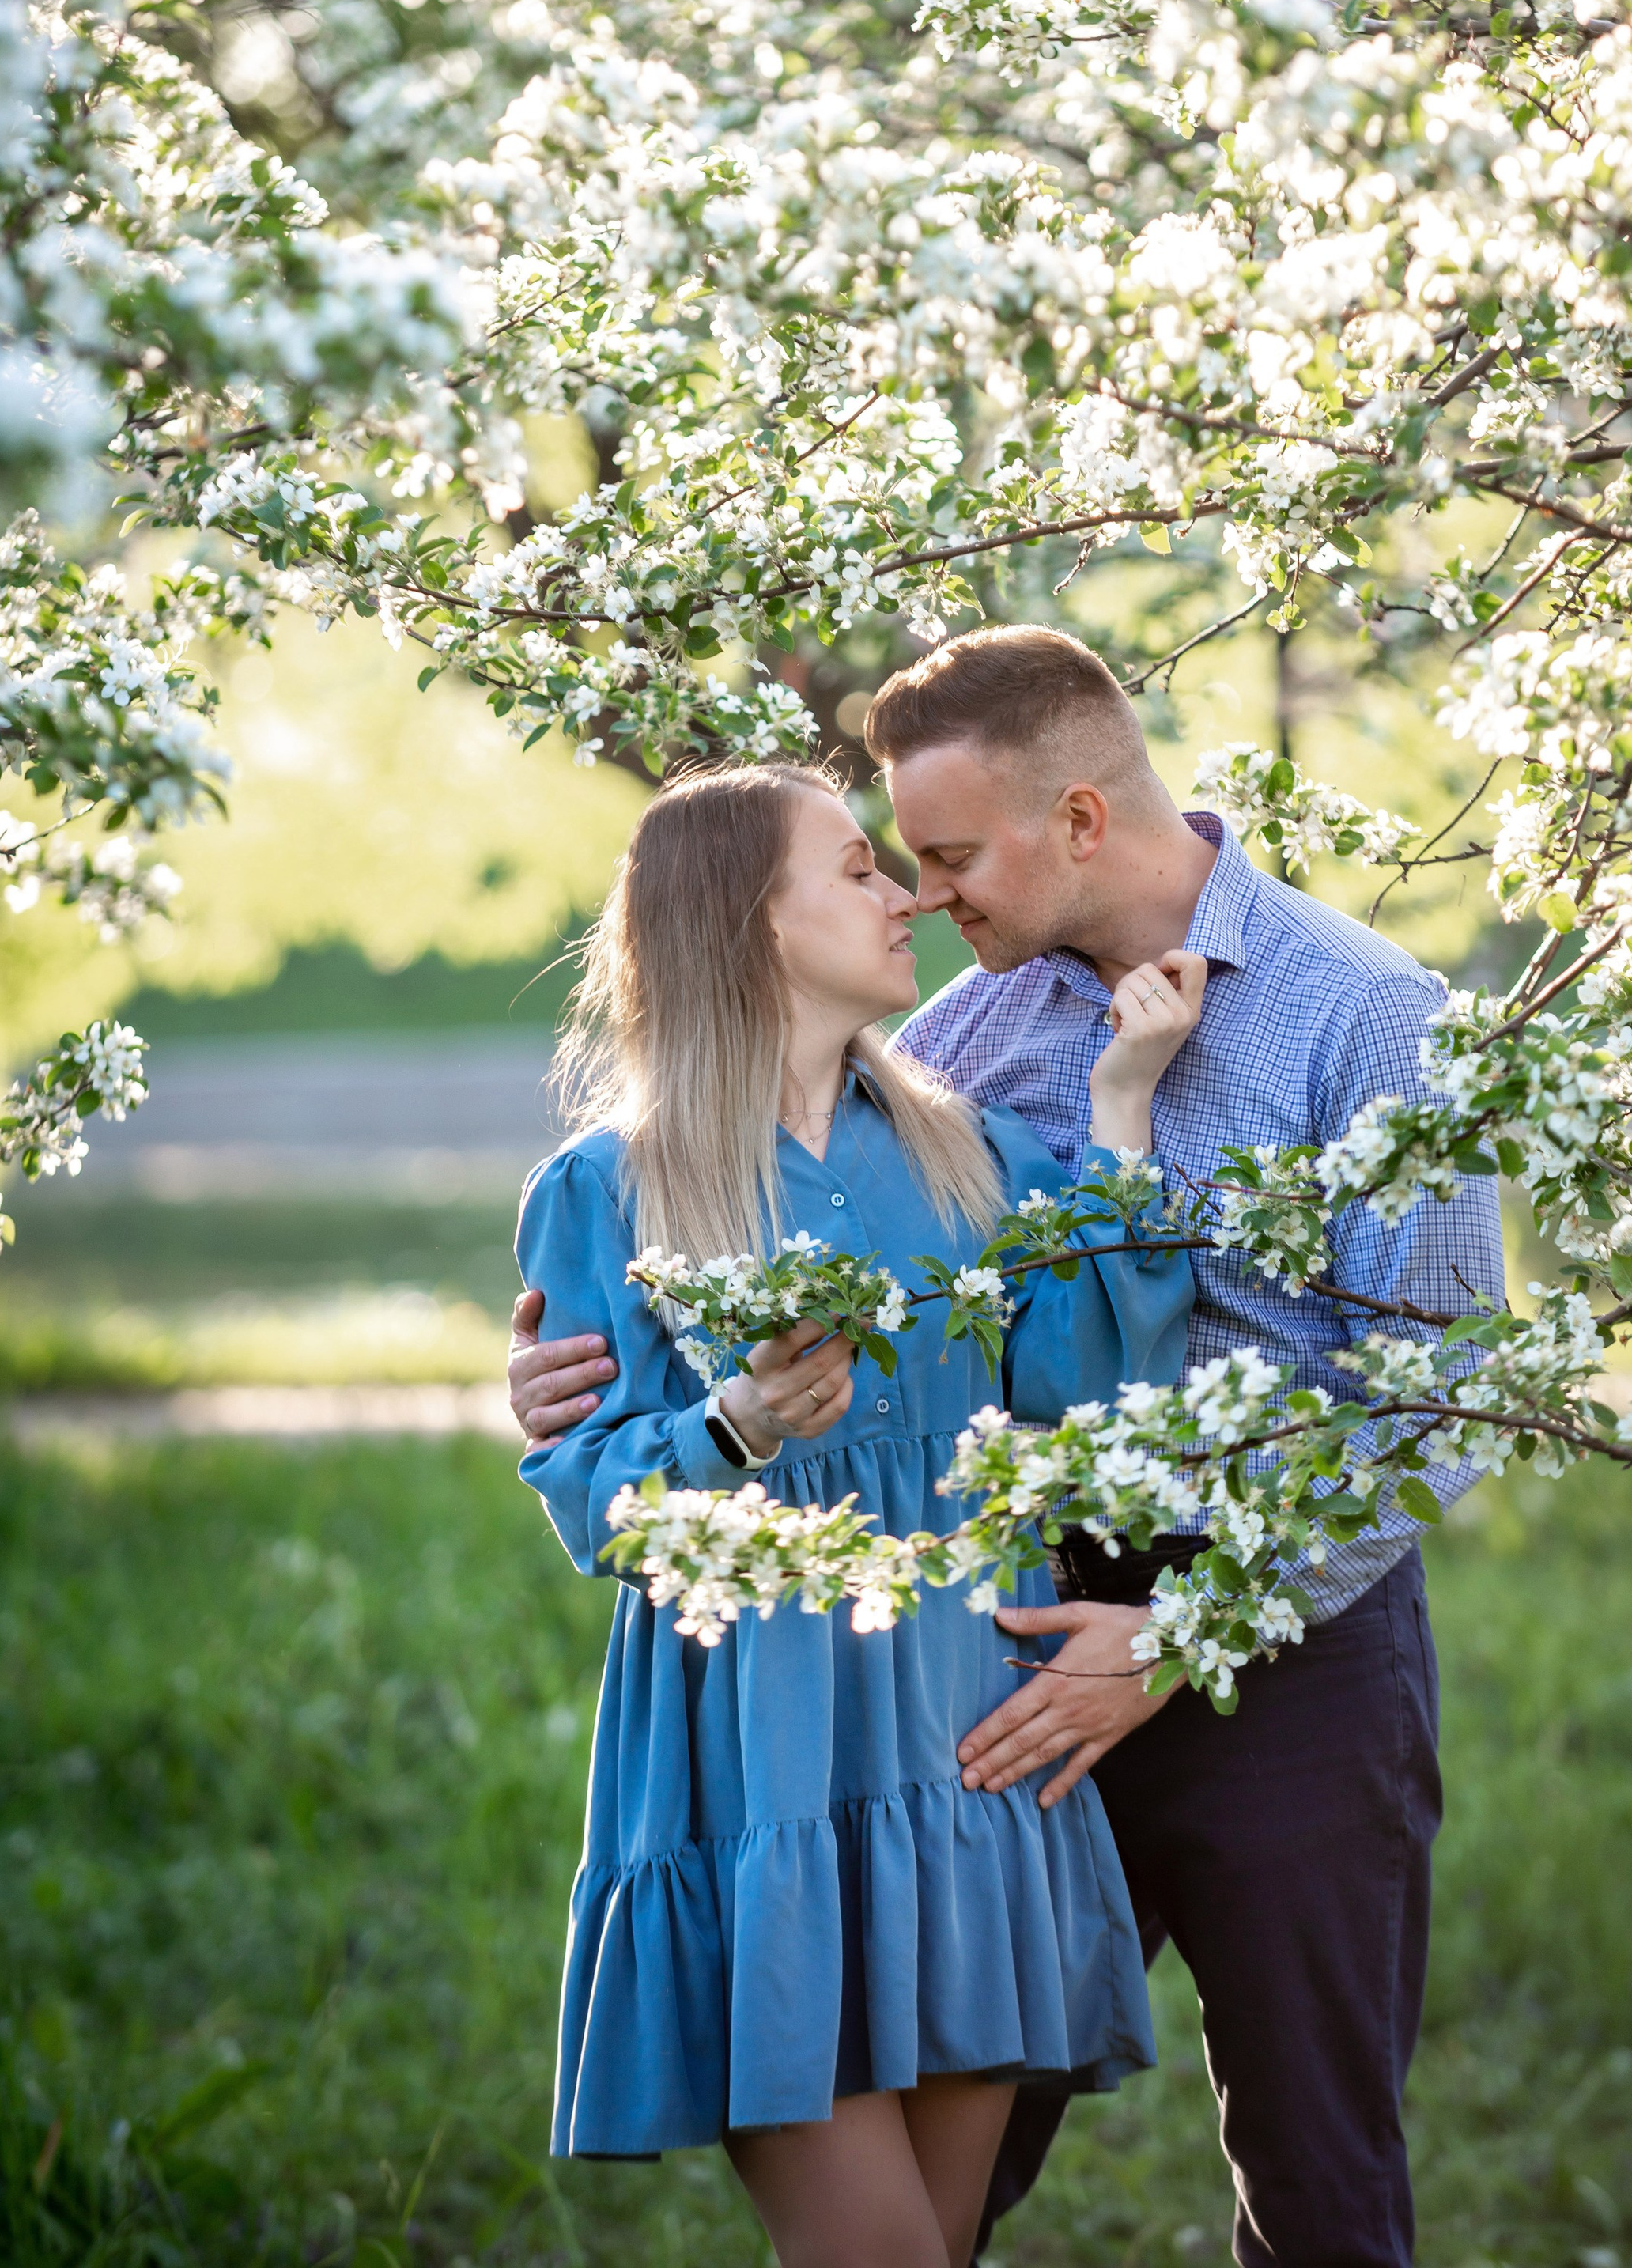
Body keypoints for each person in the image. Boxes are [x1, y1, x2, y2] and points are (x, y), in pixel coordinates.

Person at [512, 629, 1505, 2268]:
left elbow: (1432, 1397)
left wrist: (1190, 1624)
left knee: (1315, 2173)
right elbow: (644, 1355)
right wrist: (611, 1404)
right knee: (940, 2189)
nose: (920, 893)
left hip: (1278, 1634)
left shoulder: (1371, 1019)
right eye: (889, 861)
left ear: (1082, 823)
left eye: (948, 855)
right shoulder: (953, 1049)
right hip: (969, 1671)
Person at [509, 756, 1203, 2268]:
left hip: (963, 1753)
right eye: (857, 871)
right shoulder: (610, 1189)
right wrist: (732, 1426)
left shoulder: (972, 1151)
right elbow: (599, 1508)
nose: (909, 896)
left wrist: (1123, 1120)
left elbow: (1084, 1394)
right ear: (750, 925)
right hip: (765, 1763)